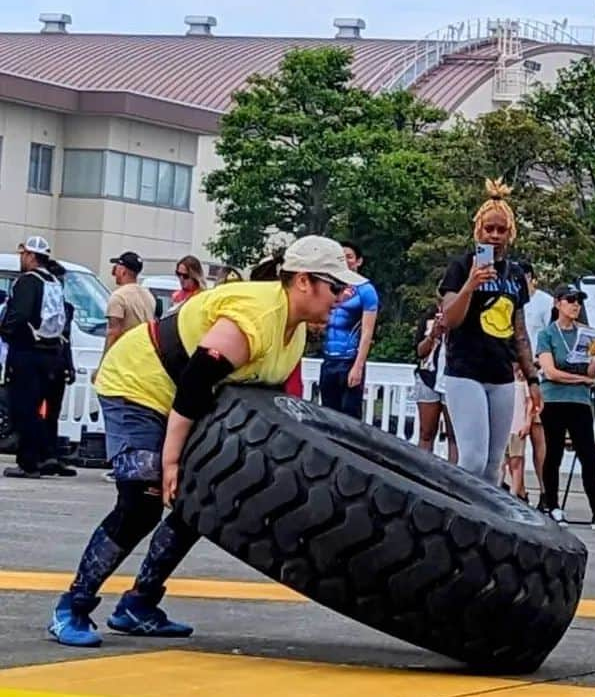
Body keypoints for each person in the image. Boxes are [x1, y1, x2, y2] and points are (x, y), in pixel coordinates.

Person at [47, 236, 363, 647]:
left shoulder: (294, 331)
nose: (343, 297)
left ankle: (138, 605)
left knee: (199, 499)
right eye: (336, 287)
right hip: (138, 385)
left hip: (184, 400)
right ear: (304, 281)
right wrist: (172, 462)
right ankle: (72, 606)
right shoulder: (256, 315)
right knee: (143, 498)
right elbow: (196, 381)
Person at [440, 179, 542, 484]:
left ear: (510, 233)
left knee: (494, 463)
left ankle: (484, 524)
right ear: (478, 231)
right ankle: (456, 513)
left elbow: (518, 330)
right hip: (465, 370)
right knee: (472, 459)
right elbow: (450, 318)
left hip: (501, 373)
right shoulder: (460, 267)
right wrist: (470, 284)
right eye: (489, 229)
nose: (495, 236)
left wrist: (532, 377)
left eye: (501, 230)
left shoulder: (514, 275)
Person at [537, 283, 595, 531]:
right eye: (570, 300)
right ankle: (552, 505)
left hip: (579, 401)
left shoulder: (586, 333)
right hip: (555, 400)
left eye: (578, 300)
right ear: (558, 304)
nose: (575, 305)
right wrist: (581, 379)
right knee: (553, 453)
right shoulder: (547, 334)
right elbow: (550, 372)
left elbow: (591, 372)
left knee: (588, 455)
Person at [0, 237, 67, 478]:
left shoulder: (27, 282)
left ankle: (28, 462)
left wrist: (5, 331)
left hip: (27, 353)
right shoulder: (54, 281)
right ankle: (46, 455)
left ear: (30, 256)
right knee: (43, 409)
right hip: (52, 353)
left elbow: (17, 316)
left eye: (23, 254)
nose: (21, 259)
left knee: (23, 408)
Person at [319, 241, 379, 420]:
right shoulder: (330, 287)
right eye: (341, 258)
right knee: (328, 414)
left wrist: (358, 366)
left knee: (349, 414)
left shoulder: (366, 290)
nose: (345, 261)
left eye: (349, 257)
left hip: (350, 359)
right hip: (329, 358)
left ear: (358, 261)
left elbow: (368, 331)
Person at [519, 259, 551, 510]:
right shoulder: (508, 298)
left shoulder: (545, 302)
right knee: (512, 439)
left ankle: (545, 491)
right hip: (512, 374)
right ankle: (516, 488)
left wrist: (536, 364)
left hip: (536, 374)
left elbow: (548, 337)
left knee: (539, 437)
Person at [42, 260, 77, 477]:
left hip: (59, 360)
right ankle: (41, 454)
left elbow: (67, 340)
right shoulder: (41, 305)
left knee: (53, 412)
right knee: (38, 411)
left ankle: (52, 455)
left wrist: (70, 366)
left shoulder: (66, 308)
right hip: (43, 360)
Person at [413, 299, 457, 462]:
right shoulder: (429, 318)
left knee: (454, 435)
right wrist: (432, 335)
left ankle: (453, 481)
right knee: (426, 432)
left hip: (452, 378)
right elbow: (419, 352)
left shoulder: (462, 318)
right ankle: (421, 474)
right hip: (428, 375)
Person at [104, 251, 157, 357]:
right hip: (143, 354)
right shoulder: (149, 296)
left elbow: (113, 332)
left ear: (122, 270)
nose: (114, 271)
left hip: (124, 356)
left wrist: (104, 362)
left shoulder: (119, 297)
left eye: (117, 267)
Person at [503, 365, 532, 500]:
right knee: (501, 463)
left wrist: (527, 423)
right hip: (503, 428)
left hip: (517, 427)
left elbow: (530, 402)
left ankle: (514, 496)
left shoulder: (522, 382)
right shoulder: (502, 381)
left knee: (516, 462)